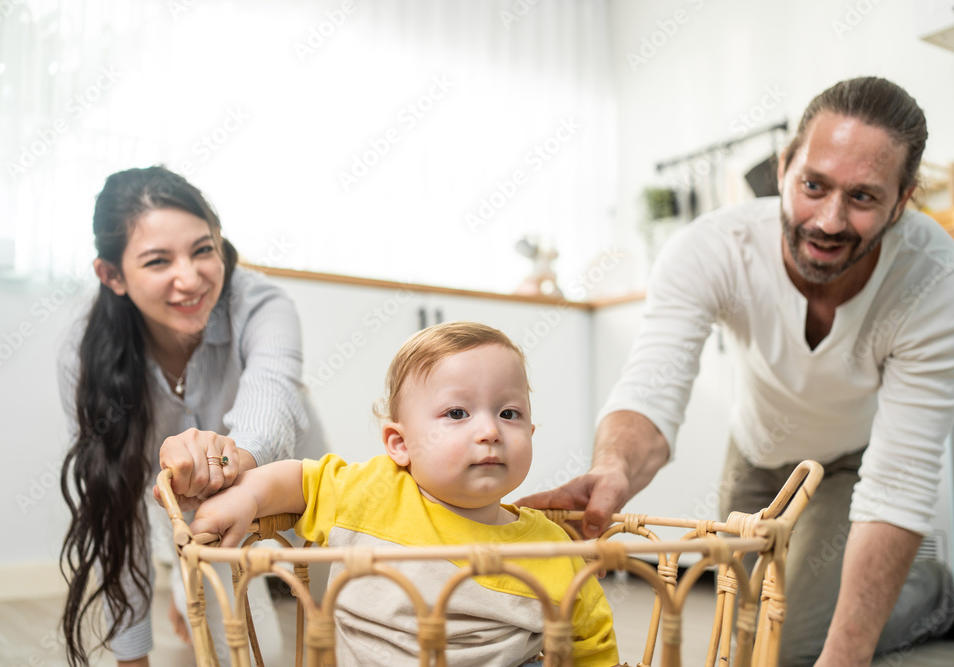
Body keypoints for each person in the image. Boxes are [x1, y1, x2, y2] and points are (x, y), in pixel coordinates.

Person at [518, 76, 954, 667]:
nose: (827, 221)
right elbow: (653, 385)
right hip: (754, 452)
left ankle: (930, 591)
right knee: (741, 633)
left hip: (849, 462)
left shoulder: (934, 279)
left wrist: (845, 656)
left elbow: (899, 481)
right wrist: (613, 468)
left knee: (795, 653)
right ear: (783, 168)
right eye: (813, 185)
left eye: (863, 198)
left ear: (902, 201)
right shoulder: (712, 248)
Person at [190, 322, 620, 667]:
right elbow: (300, 481)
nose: (489, 431)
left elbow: (591, 638)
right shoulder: (373, 491)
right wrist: (246, 498)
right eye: (457, 413)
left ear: (530, 431)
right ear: (399, 443)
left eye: (509, 413)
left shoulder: (550, 547)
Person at [58, 166, 323, 667]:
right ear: (111, 275)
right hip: (194, 507)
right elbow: (115, 512)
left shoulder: (262, 302)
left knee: (331, 607)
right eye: (158, 261)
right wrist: (131, 657)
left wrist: (230, 459)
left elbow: (272, 395)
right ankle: (187, 590)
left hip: (293, 475)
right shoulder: (86, 354)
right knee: (228, 617)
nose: (190, 277)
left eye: (204, 249)